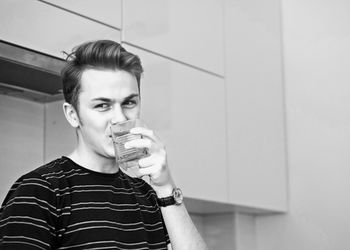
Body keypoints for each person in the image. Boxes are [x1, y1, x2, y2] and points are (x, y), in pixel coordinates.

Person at [0, 40, 208, 249]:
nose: (119, 118)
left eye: (129, 102)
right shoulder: (38, 191)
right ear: (72, 115)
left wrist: (165, 187)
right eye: (102, 105)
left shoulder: (147, 195)